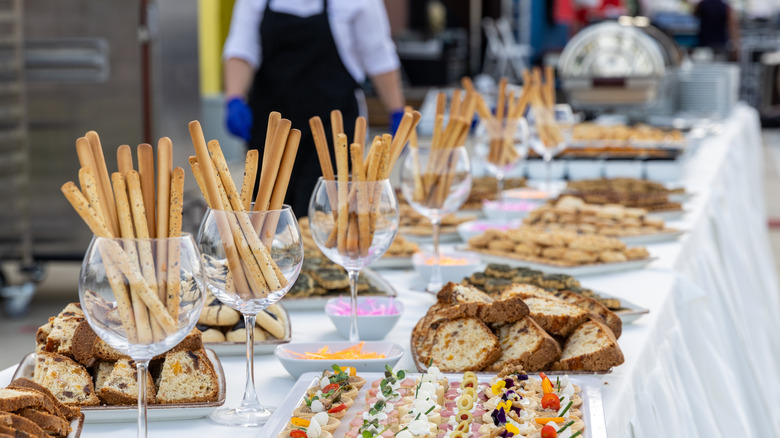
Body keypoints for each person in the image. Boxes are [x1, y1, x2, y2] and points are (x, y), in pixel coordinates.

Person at [222, 0, 405, 216]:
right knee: (269, 217)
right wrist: (234, 98)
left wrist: (396, 111)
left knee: (323, 213)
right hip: (272, 128)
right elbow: (242, 47)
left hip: (334, 130)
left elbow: (378, 55)